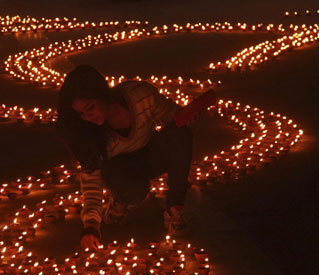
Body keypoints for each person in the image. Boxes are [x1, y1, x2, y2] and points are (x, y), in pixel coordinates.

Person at [55, 65, 215, 250]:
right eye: (81, 114)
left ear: (101, 94)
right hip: (120, 171)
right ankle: (120, 199)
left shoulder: (140, 95)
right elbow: (91, 179)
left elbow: (169, 115)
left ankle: (174, 209)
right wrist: (91, 225)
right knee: (134, 192)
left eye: (90, 108)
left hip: (148, 154)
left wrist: (185, 115)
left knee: (180, 134)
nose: (87, 117)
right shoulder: (89, 135)